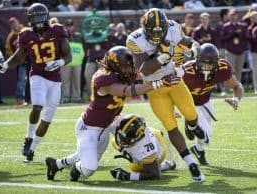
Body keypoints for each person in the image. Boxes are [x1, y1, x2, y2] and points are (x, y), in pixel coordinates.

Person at [44, 46, 180, 181]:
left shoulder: (125, 71)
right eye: (125, 66)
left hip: (111, 121)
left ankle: (56, 164)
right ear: (114, 66)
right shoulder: (103, 79)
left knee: (135, 128)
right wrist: (158, 83)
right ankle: (77, 168)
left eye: (129, 65)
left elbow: (144, 74)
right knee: (89, 168)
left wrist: (166, 67)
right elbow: (127, 91)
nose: (129, 69)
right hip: (90, 128)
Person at [126, 8, 205, 182]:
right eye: (152, 31)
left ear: (165, 27)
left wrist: (194, 48)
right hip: (155, 87)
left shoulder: (173, 27)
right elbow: (143, 69)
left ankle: (191, 126)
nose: (156, 34)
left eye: (159, 30)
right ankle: (191, 162)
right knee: (170, 125)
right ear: (144, 28)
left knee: (192, 117)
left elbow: (188, 41)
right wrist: (164, 56)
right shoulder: (135, 39)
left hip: (175, 81)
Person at [0, 3, 72, 162]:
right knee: (37, 105)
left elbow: (68, 55)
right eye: (35, 18)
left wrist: (60, 62)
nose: (38, 22)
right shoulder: (25, 34)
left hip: (55, 79)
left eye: (40, 18)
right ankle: (28, 138)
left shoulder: (58, 30)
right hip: (37, 74)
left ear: (47, 17)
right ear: (30, 19)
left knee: (47, 120)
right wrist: (5, 66)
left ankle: (32, 148)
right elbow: (18, 56)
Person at [182, 43, 244, 165]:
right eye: (203, 63)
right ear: (197, 61)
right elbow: (173, 91)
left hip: (205, 101)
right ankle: (189, 123)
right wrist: (174, 108)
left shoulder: (223, 68)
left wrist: (236, 99)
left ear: (216, 63)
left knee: (203, 136)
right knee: (207, 134)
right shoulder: (187, 71)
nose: (206, 67)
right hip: (188, 103)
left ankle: (198, 151)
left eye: (210, 64)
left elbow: (237, 86)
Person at [110, 114, 176, 181]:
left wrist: (128, 176)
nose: (121, 141)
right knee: (115, 142)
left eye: (126, 138)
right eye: (121, 136)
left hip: (159, 146)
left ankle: (165, 164)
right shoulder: (117, 124)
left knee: (136, 168)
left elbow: (155, 175)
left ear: (137, 137)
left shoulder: (145, 146)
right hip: (148, 132)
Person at [6, 17, 28, 105]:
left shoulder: (26, 30)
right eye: (11, 24)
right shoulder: (11, 36)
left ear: (18, 22)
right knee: (21, 80)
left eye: (14, 22)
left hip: (31, 59)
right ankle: (19, 99)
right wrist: (16, 58)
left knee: (32, 79)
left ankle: (29, 98)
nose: (13, 25)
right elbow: (8, 50)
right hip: (21, 62)